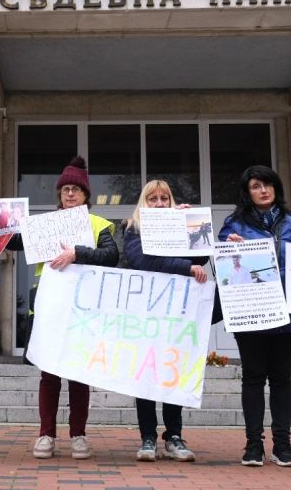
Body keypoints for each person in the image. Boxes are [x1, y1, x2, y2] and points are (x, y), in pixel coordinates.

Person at [0, 156, 119, 460]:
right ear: (59, 194)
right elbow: (13, 241)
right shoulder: (46, 225)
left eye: (76, 190)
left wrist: (76, 253)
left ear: (86, 196)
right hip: (50, 312)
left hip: (83, 312)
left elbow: (111, 255)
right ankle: (46, 435)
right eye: (65, 189)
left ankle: (78, 434)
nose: (70, 194)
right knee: (49, 375)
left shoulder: (98, 224)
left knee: (78, 374)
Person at [218, 165, 291, 469]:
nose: (263, 190)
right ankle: (253, 444)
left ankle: (283, 445)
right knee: (253, 377)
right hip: (251, 310)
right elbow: (220, 263)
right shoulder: (233, 223)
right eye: (256, 186)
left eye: (268, 185)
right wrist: (228, 248)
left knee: (281, 379)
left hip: (284, 311)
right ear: (247, 192)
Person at [121, 179, 208, 463]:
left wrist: (192, 223)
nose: (159, 203)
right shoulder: (133, 228)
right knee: (146, 373)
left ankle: (173, 436)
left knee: (174, 371)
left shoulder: (180, 223)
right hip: (146, 312)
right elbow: (140, 260)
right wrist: (184, 267)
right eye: (152, 199)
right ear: (143, 204)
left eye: (164, 198)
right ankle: (148, 437)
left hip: (178, 312)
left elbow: (203, 258)